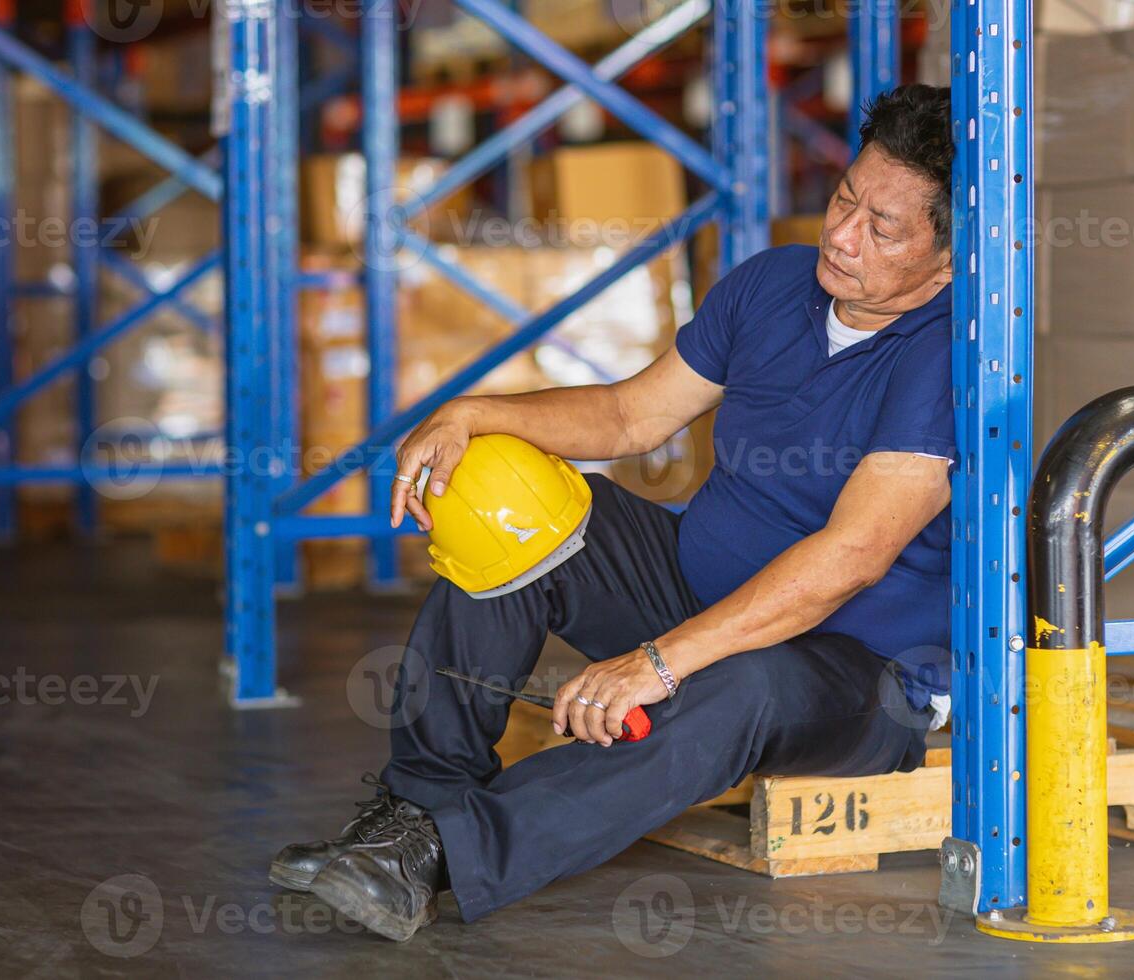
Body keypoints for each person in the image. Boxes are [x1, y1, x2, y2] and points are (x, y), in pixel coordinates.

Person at [270, 83, 958, 942]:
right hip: (696, 589)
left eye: (881, 228)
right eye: (843, 200)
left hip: (853, 674)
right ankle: (415, 807)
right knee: (509, 503)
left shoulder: (945, 354)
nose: (842, 234)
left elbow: (851, 556)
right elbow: (633, 416)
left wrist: (659, 664)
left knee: (742, 684)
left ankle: (446, 852)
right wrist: (475, 414)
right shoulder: (775, 285)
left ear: (948, 259)